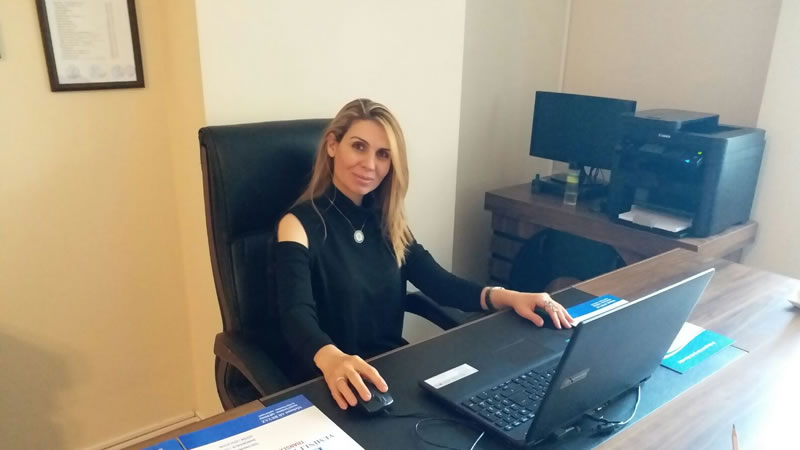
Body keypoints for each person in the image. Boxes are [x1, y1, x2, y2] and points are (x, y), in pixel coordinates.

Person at [275, 98, 574, 411]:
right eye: (359, 147)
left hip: (390, 371)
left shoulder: (387, 223)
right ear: (332, 145)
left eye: (383, 154)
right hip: (332, 379)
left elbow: (440, 284)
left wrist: (509, 296)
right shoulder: (297, 224)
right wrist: (332, 358)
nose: (370, 164)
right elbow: (296, 316)